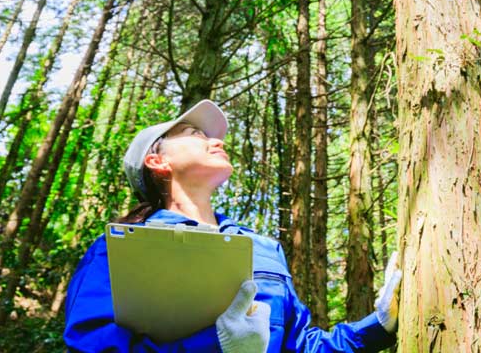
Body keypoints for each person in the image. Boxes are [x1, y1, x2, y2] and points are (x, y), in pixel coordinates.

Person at [63, 100, 403, 352]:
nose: (217, 141)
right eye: (195, 133)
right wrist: (216, 346)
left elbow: (304, 346)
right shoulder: (118, 247)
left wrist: (380, 325)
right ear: (158, 160)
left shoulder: (264, 248)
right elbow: (91, 346)